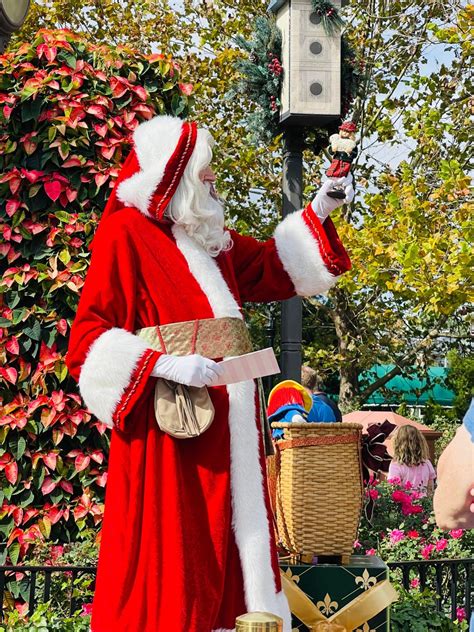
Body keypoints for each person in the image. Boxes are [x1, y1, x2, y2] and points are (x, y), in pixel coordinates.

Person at [65, 114, 354, 632]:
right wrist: (166, 364)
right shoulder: (124, 233)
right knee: (179, 552)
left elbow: (273, 267)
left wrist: (320, 207)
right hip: (173, 430)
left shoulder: (211, 241)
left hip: (232, 425)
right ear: (172, 178)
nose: (215, 180)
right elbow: (88, 342)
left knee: (234, 545)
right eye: (206, 173)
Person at [387, 425, 436, 496]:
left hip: (405, 506)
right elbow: (430, 490)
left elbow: (394, 491)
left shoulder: (396, 465)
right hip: (424, 505)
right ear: (420, 442)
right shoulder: (427, 463)